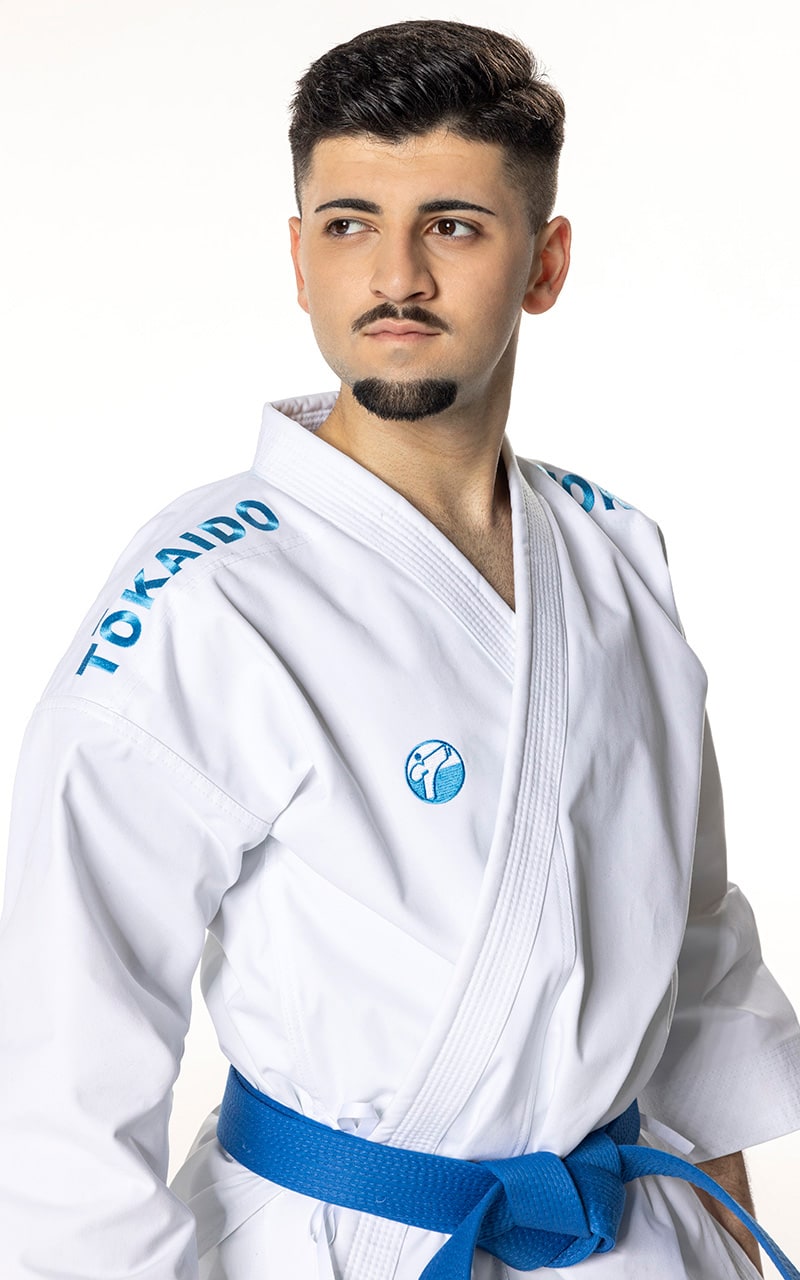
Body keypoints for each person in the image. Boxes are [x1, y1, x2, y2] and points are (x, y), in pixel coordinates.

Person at [1, 17, 798, 1280]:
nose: (395, 276)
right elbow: (56, 1055)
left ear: (542, 263)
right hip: (340, 1241)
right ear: (298, 257)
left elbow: (691, 945)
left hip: (628, 1239)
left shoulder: (614, 556)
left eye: (453, 226)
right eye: (348, 223)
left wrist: (729, 1235)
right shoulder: (208, 596)